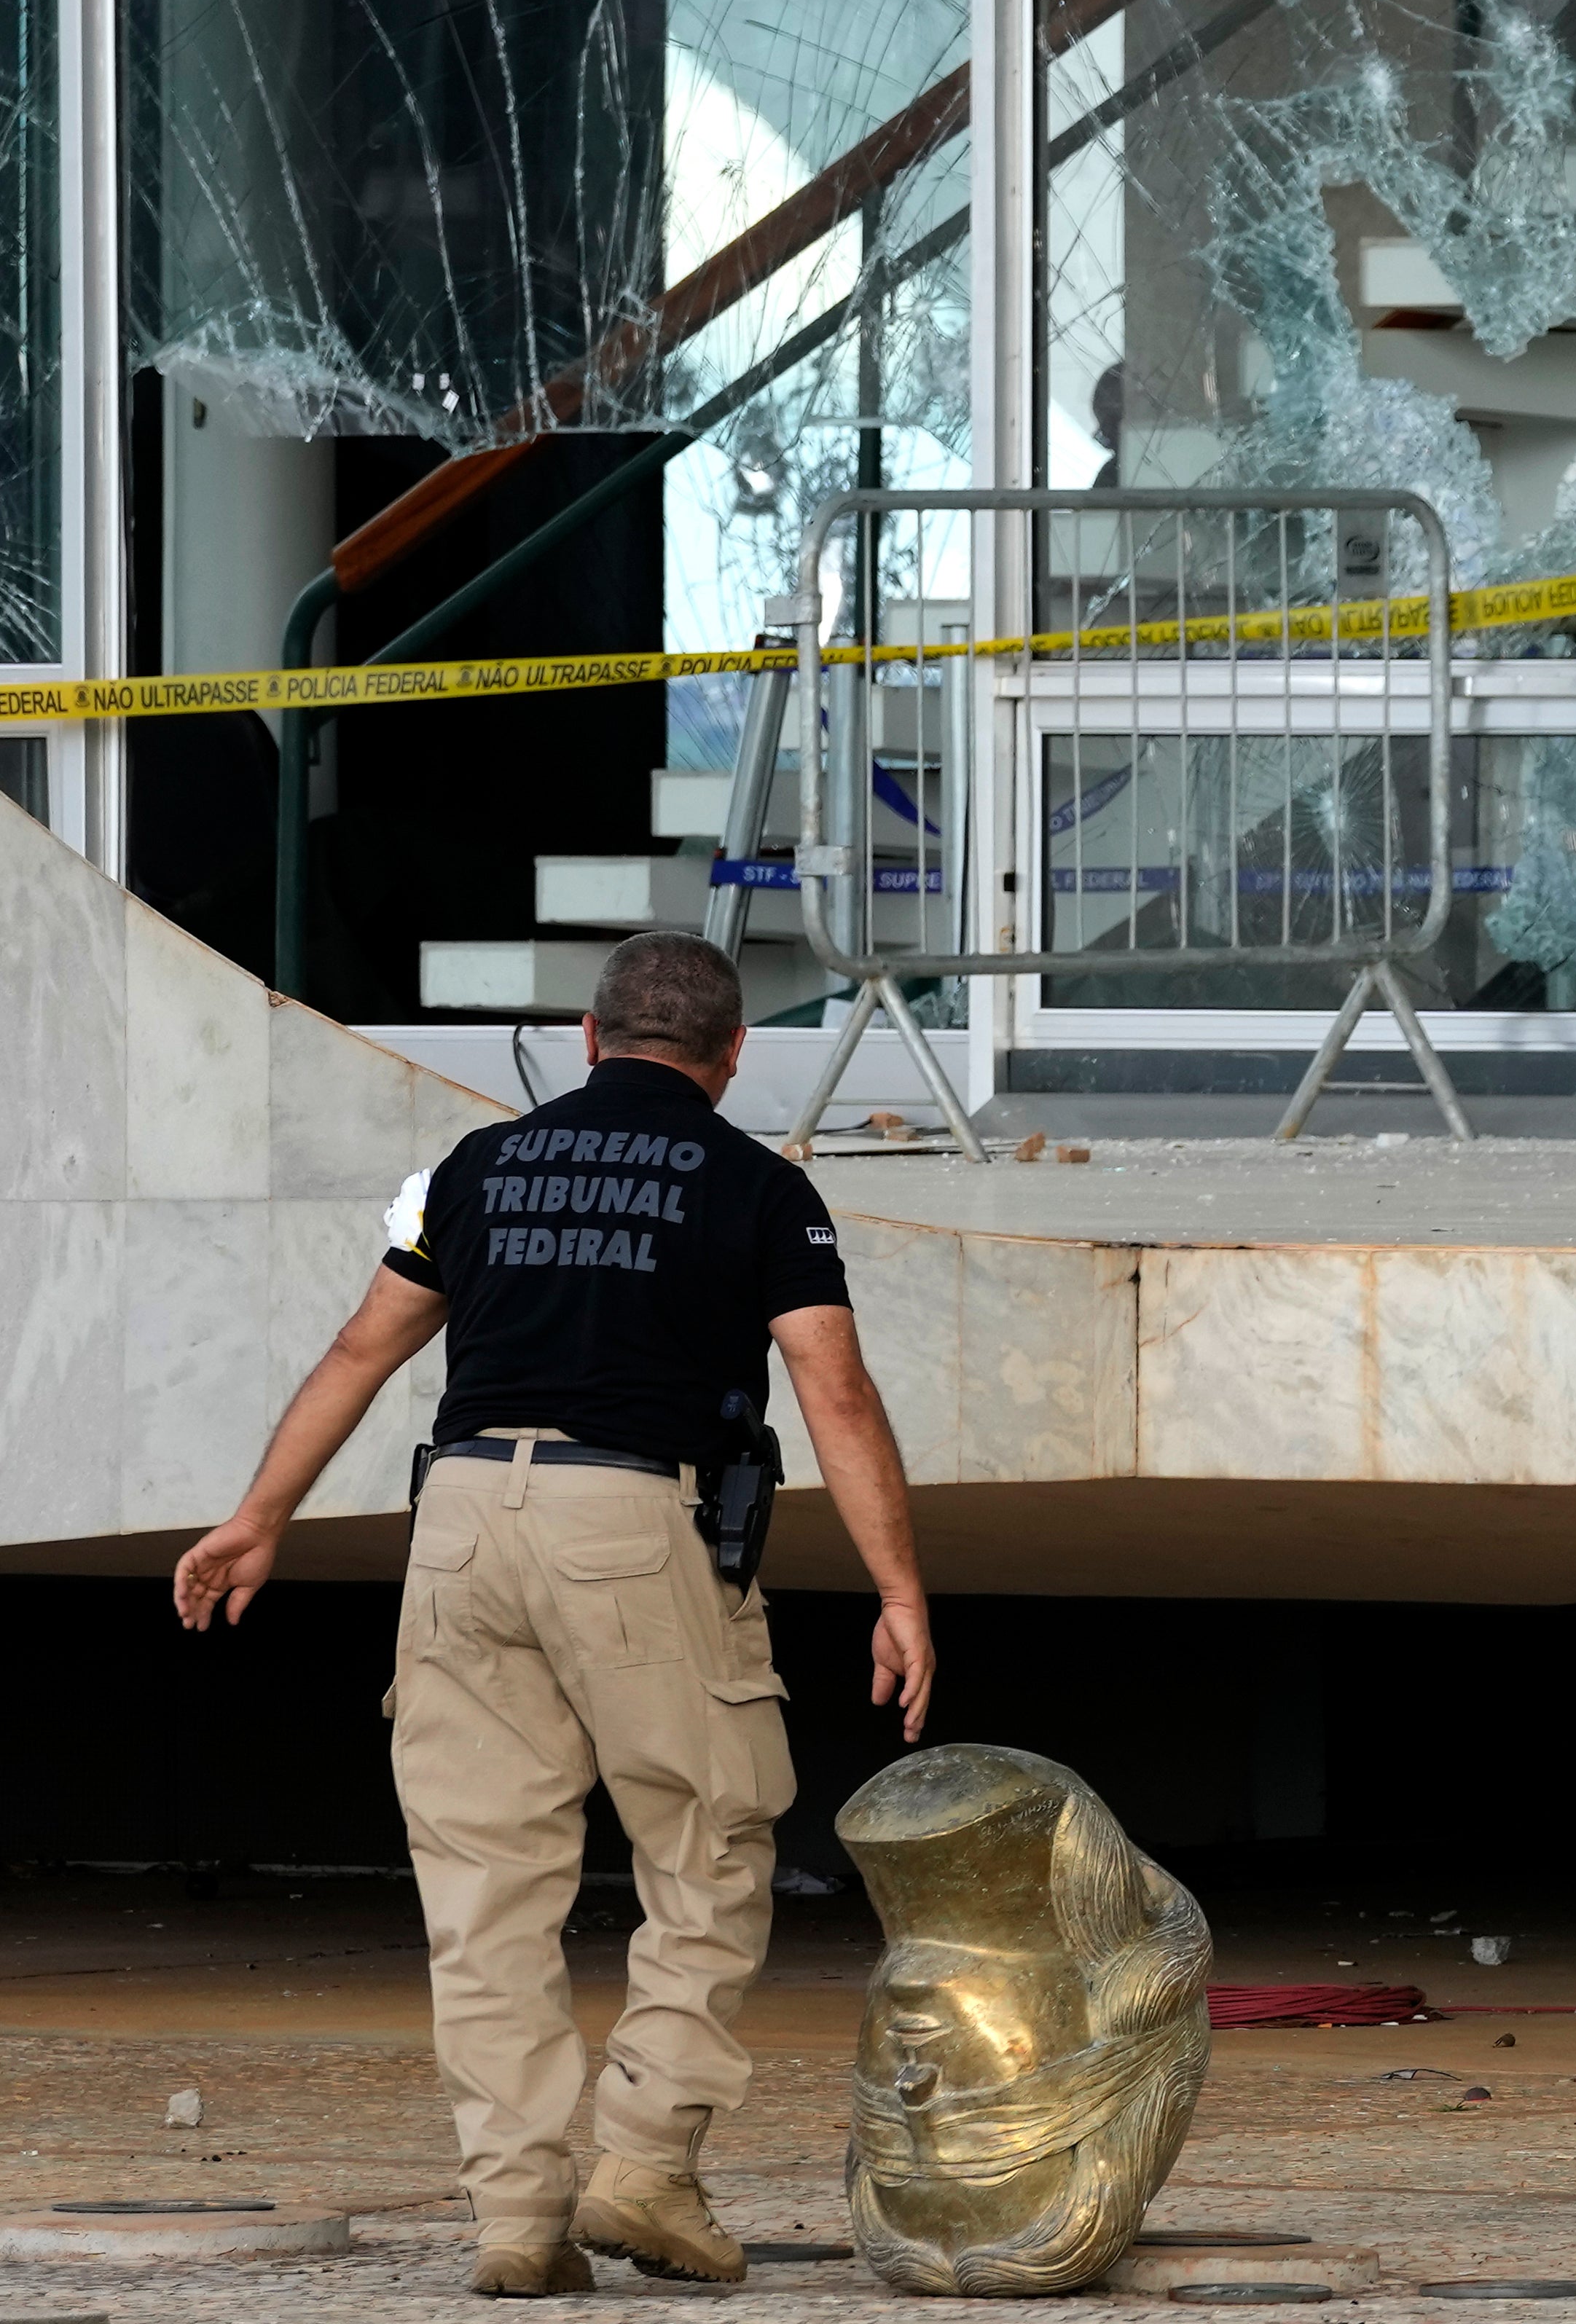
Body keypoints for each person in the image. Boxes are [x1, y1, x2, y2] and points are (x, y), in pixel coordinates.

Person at [171, 933, 937, 2299]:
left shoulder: (479, 1168)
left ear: (589, 1042)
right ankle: (643, 2166)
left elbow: (364, 1345)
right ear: (730, 1059)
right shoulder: (760, 1187)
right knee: (706, 1850)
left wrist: (259, 1516)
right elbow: (836, 1390)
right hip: (636, 1525)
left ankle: (516, 2220)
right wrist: (896, 1588)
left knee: (485, 1893)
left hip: (461, 1523)